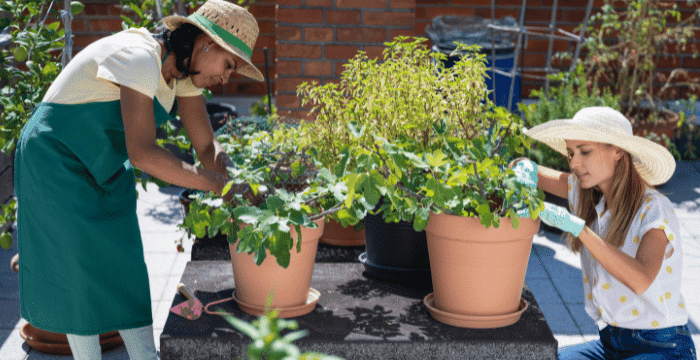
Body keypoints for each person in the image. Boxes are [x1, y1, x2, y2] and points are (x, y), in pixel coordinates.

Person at [13, 1, 263, 359]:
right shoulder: (140, 57)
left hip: (101, 160)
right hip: (54, 156)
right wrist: (218, 186)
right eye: (228, 65)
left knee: (125, 266)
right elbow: (143, 153)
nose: (227, 78)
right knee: (78, 272)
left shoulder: (182, 75)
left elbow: (207, 145)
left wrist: (236, 182)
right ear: (206, 43)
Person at [511, 107, 696, 359]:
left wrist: (580, 229)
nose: (575, 163)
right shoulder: (587, 194)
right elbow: (529, 170)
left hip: (661, 347)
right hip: (610, 344)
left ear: (617, 150)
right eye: (571, 153)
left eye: (585, 151)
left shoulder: (654, 209)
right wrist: (519, 168)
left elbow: (641, 280)